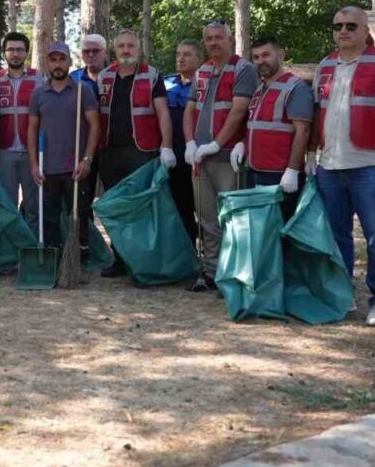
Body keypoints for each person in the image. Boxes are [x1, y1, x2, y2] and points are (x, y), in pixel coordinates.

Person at [312, 6, 375, 327]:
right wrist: (309, 158)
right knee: (337, 236)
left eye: (351, 25)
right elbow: (318, 115)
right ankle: (344, 295)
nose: (343, 31)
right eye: (337, 25)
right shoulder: (324, 67)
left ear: (365, 28)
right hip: (329, 166)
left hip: (371, 165)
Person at [95, 29, 178, 276]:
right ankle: (120, 258)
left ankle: (141, 262)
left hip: (142, 151)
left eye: (130, 46)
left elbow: (162, 112)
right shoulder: (105, 76)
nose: (126, 50)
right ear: (115, 50)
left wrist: (167, 146)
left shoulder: (152, 75)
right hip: (109, 152)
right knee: (116, 207)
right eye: (121, 46)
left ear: (138, 48)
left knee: (141, 208)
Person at [183, 20, 258, 292]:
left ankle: (233, 272)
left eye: (219, 38)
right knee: (207, 219)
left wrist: (215, 144)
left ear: (230, 40)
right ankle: (212, 271)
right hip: (200, 159)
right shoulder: (202, 71)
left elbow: (239, 111)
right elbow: (189, 110)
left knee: (232, 219)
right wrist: (191, 143)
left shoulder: (243, 69)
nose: (213, 42)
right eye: (209, 39)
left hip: (227, 158)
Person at [230, 37, 313, 222]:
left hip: (280, 176)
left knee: (280, 233)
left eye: (266, 55)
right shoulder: (259, 90)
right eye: (256, 57)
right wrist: (242, 144)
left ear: (281, 54)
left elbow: (303, 131)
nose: (261, 61)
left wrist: (292, 171)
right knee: (261, 232)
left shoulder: (295, 88)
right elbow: (256, 126)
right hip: (254, 171)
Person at [28, 42, 100, 248]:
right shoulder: (39, 94)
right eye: (53, 60)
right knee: (49, 219)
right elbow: (31, 130)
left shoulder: (82, 91)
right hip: (47, 168)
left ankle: (80, 259)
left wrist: (87, 159)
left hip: (76, 168)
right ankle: (54, 260)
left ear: (69, 61)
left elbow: (94, 126)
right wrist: (34, 165)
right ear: (47, 63)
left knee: (79, 217)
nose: (58, 64)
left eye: (62, 59)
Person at [0, 31, 42, 231]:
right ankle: (10, 252)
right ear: (4, 53)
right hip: (4, 152)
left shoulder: (39, 80)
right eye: (11, 49)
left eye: (20, 50)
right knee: (6, 205)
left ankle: (34, 249)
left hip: (31, 153)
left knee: (33, 205)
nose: (15, 54)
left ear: (27, 53)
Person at [164, 40, 203, 242]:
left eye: (187, 54)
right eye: (178, 54)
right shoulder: (165, 83)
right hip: (174, 155)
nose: (180, 58)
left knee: (204, 209)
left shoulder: (207, 83)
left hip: (199, 153)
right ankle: (187, 253)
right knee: (181, 207)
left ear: (199, 58)